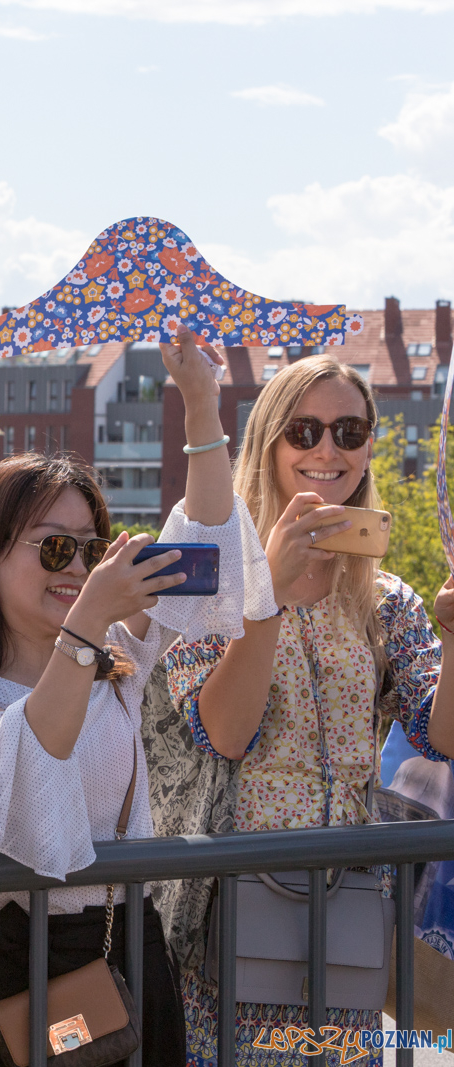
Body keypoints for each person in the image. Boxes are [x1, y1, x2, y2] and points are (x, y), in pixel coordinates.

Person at [0, 330, 272, 1065]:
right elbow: (29, 755)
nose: (74, 564)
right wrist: (88, 622)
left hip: (129, 949)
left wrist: (200, 401)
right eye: (51, 546)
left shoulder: (115, 656)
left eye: (87, 543)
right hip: (26, 973)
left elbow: (203, 544)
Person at [150, 356, 454, 1064]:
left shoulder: (386, 598)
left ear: (371, 444)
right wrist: (269, 597)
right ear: (267, 442)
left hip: (344, 916)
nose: (327, 450)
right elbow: (223, 735)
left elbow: (441, 739)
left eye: (349, 429)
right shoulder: (216, 575)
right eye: (304, 429)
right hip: (231, 918)